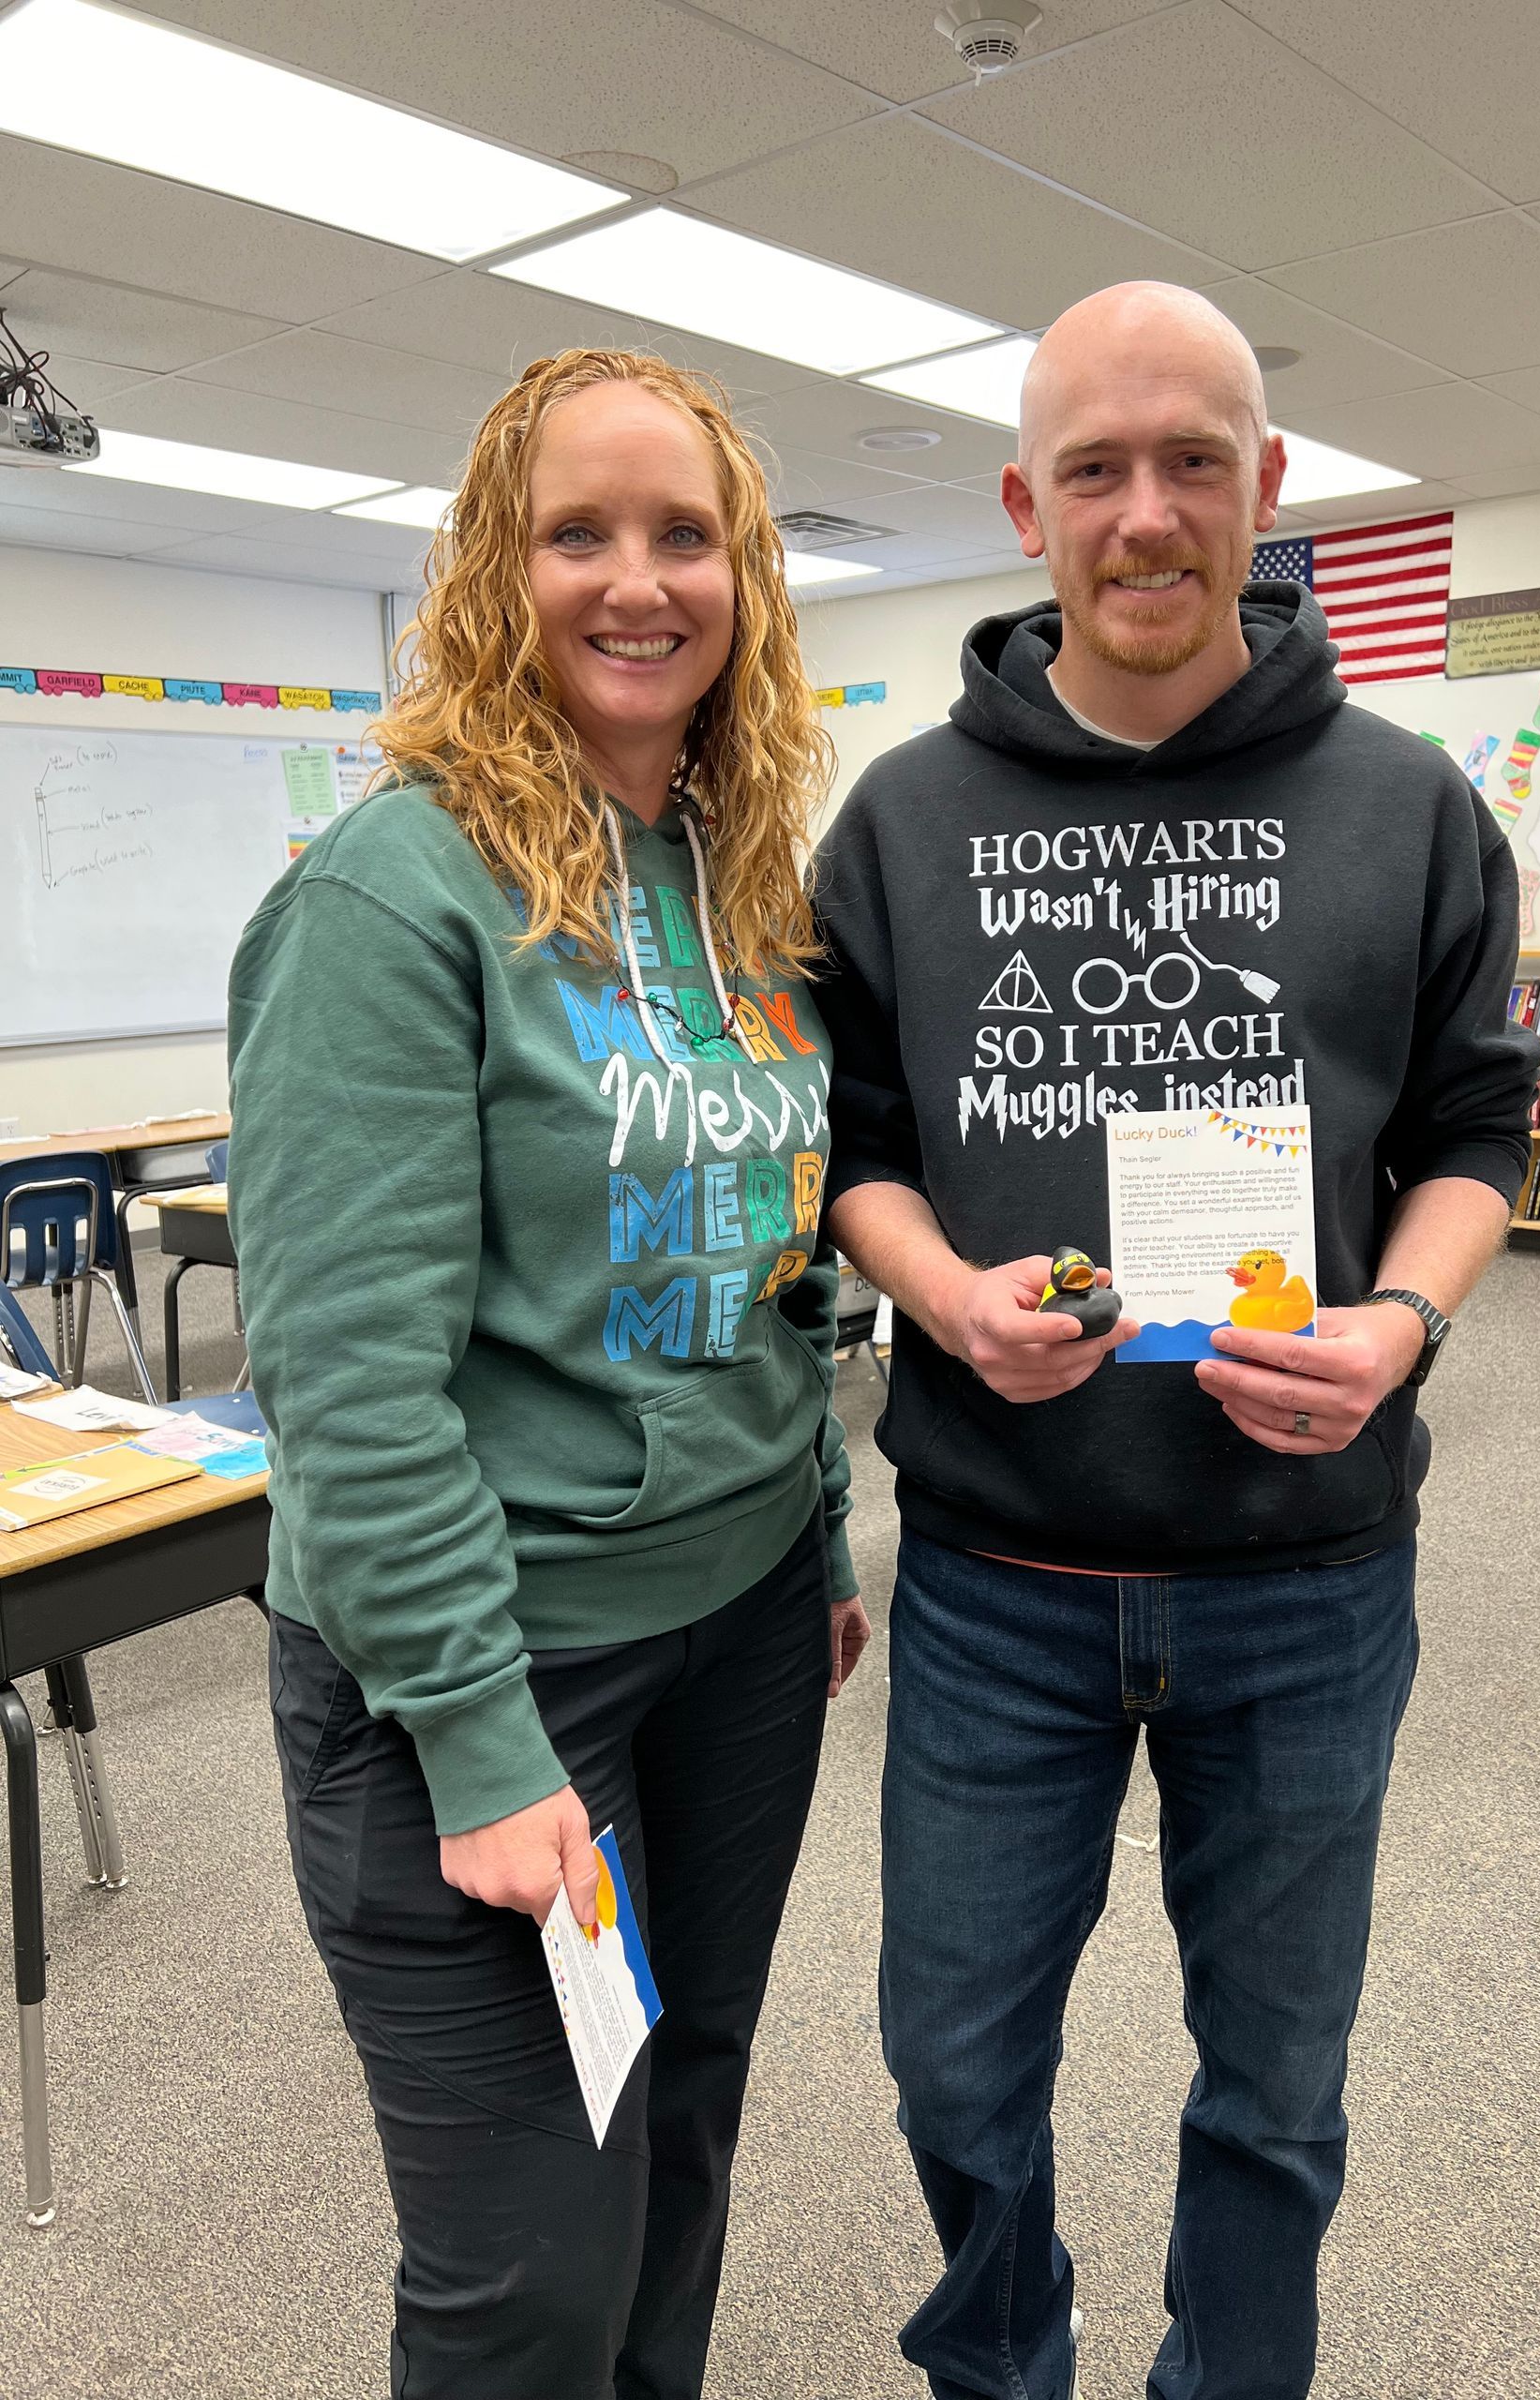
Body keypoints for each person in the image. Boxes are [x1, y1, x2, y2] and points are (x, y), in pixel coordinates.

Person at [814, 283, 1538, 2400]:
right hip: (995, 1578)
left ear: (1267, 486)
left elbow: (1476, 1128)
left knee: (1277, 2089)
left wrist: (1401, 1320)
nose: (1150, 516)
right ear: (1030, 507)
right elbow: (856, 1146)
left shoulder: (1409, 807)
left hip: (1306, 1573)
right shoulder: (903, 820)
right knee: (952, 2064)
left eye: (1194, 462)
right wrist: (939, 1292)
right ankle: (1003, 2366)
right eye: (1100, 472)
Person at [230, 348, 870, 2400]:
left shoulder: (740, 876)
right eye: (575, 530)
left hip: (747, 1628)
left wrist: (821, 1521)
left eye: (684, 532)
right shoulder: (390, 893)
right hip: (495, 1681)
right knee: (528, 2262)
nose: (635, 578)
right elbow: (344, 1381)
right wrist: (489, 1740)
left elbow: (772, 1263)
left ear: (744, 577)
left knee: (682, 2124)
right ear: (492, 571)